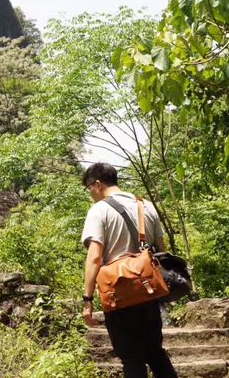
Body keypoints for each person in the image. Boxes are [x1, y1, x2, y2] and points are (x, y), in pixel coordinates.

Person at [80, 162, 177, 378]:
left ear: (97, 184)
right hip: (149, 292)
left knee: (131, 357)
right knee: (155, 354)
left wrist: (87, 300)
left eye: (88, 188)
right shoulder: (146, 206)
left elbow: (95, 257)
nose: (90, 194)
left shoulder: (99, 210)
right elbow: (161, 252)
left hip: (118, 295)